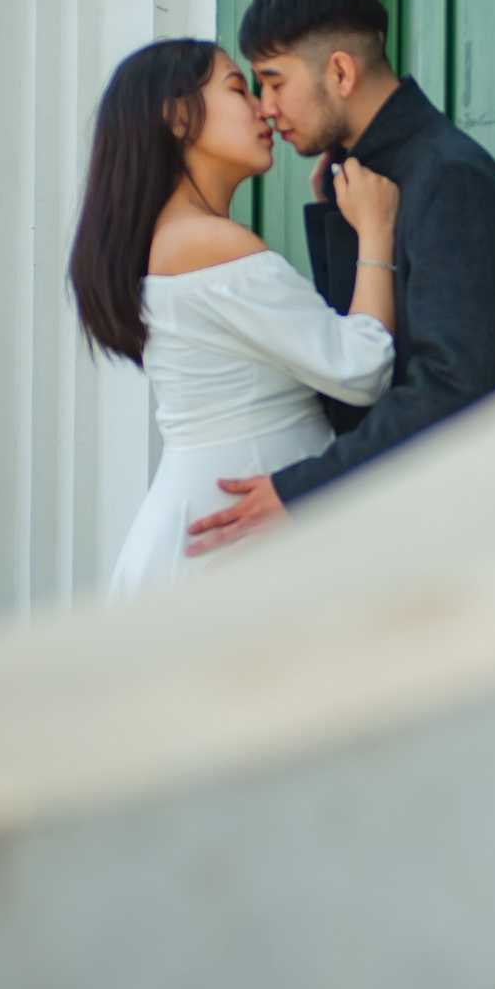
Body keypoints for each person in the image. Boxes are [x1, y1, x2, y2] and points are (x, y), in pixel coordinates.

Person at [184, 0, 495, 556]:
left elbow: (451, 387)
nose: (266, 107)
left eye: (273, 81)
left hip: (454, 539)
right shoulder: (365, 179)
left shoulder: (448, 178)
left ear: (340, 71)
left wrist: (305, 491)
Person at [68, 38, 404, 601]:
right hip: (231, 544)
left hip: (218, 526)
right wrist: (376, 232)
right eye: (238, 89)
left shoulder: (179, 240)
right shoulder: (211, 244)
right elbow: (362, 367)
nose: (264, 107)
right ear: (178, 118)